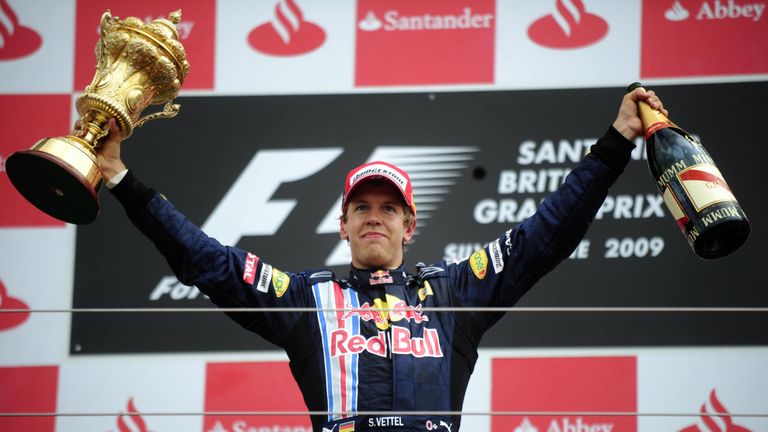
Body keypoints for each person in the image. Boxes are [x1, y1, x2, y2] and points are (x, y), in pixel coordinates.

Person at [95, 88, 666, 432]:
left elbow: (548, 234)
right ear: (341, 225)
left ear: (409, 226)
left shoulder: (454, 291)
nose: (375, 217)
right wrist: (120, 179)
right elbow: (207, 263)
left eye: (389, 208)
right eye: (361, 207)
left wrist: (616, 140)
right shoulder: (306, 298)